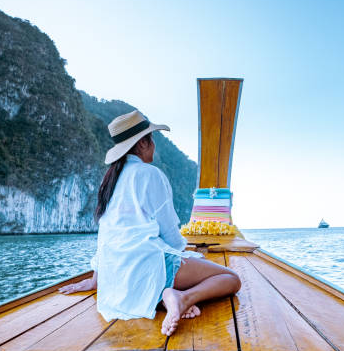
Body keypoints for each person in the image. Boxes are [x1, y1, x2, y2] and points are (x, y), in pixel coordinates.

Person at [58, 110, 241, 336]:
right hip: (146, 266)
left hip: (116, 279)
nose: (154, 145)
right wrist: (190, 258)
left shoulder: (109, 181)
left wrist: (97, 278)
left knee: (185, 266)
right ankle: (182, 298)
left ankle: (161, 299)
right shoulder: (149, 174)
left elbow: (106, 235)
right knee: (230, 279)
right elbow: (171, 237)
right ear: (143, 143)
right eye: (152, 139)